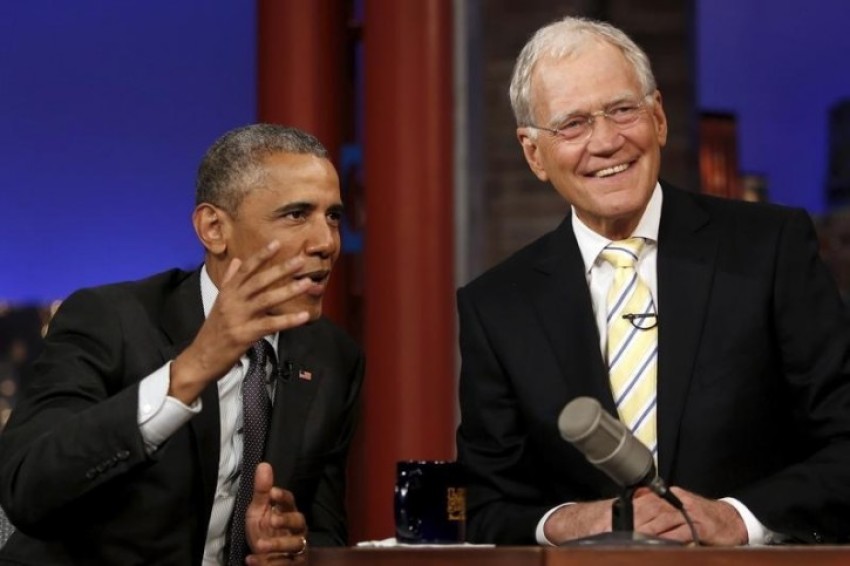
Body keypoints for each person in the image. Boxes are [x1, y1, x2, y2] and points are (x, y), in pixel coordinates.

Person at [456, 16, 850, 547]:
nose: (606, 142)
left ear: (658, 117)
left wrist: (738, 519)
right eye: (572, 124)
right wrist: (582, 522)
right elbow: (483, 502)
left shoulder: (769, 248)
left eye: (622, 110)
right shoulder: (497, 306)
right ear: (534, 154)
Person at [0, 124, 365, 564]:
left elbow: (324, 528)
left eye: (333, 217)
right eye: (296, 215)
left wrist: (292, 546)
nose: (326, 242)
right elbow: (28, 489)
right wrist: (188, 372)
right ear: (214, 228)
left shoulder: (331, 356)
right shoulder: (110, 320)